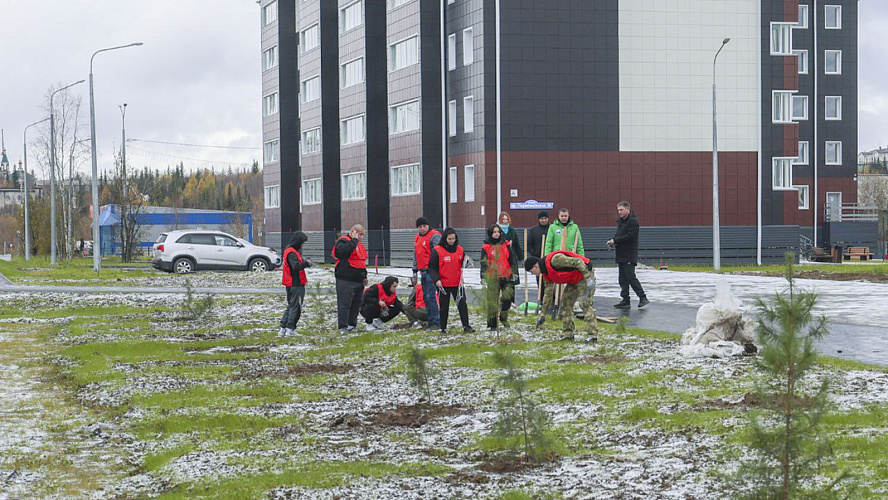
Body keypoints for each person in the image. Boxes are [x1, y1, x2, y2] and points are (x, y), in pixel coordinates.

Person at [526, 251, 598, 342]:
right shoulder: (546, 274)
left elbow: (578, 262)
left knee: (584, 304)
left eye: (531, 271)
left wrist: (588, 278)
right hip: (573, 279)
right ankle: (568, 334)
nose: (532, 274)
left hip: (584, 275)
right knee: (565, 304)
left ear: (535, 266)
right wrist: (543, 314)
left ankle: (593, 335)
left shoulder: (556, 260)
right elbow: (548, 294)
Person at [428, 227, 474, 334]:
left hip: (458, 283)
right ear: (445, 238)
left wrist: (467, 261)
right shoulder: (437, 251)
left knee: (462, 304)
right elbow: (432, 267)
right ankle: (443, 328)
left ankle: (466, 326)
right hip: (443, 284)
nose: (452, 241)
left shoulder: (460, 249)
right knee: (444, 307)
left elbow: (463, 261)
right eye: (449, 239)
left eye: (453, 239)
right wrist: (436, 280)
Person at [607, 201, 649, 309]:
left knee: (630, 277)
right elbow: (619, 235)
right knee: (622, 278)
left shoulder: (633, 222)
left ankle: (643, 297)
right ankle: (625, 300)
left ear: (627, 209)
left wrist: (615, 240)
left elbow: (630, 236)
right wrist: (614, 241)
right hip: (621, 254)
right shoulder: (621, 222)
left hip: (629, 254)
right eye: (618, 210)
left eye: (621, 210)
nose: (619, 212)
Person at [481, 224, 519, 330]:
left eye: (498, 232)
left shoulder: (506, 244)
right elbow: (483, 263)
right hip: (492, 277)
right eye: (494, 232)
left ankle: (503, 317)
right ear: (490, 234)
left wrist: (514, 272)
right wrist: (483, 276)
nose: (496, 234)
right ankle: (492, 324)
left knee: (507, 299)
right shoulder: (486, 247)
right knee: (492, 301)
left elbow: (512, 259)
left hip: (506, 275)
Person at [333, 224, 368, 332]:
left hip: (358, 279)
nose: (361, 237)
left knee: (356, 304)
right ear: (353, 232)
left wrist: (364, 276)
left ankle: (352, 325)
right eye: (360, 234)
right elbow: (343, 252)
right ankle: (343, 326)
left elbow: (361, 262)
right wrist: (353, 240)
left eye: (363, 235)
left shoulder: (359, 245)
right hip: (345, 279)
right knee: (344, 304)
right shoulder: (343, 241)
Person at [279, 232, 312, 337]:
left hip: (290, 283)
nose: (303, 245)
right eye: (302, 243)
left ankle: (283, 329)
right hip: (295, 283)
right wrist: (306, 263)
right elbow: (296, 266)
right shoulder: (292, 253)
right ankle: (290, 329)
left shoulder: (289, 251)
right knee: (296, 307)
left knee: (291, 306)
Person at [412, 217, 442, 329]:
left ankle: (436, 321)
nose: (423, 229)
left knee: (431, 297)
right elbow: (416, 254)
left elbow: (438, 253)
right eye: (420, 227)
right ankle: (431, 320)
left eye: (424, 226)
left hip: (431, 271)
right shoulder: (417, 238)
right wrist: (414, 271)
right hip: (422, 271)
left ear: (428, 226)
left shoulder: (434, 236)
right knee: (426, 297)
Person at [527, 210, 551, 300]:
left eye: (545, 218)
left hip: (549, 258)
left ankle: (552, 300)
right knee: (540, 280)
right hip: (538, 259)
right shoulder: (534, 230)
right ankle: (541, 299)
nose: (543, 220)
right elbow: (529, 244)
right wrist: (534, 253)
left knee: (551, 280)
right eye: (542, 218)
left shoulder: (551, 229)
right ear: (538, 219)